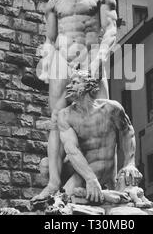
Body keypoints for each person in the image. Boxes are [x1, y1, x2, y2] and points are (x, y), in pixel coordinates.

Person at [31, 0, 118, 201]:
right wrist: (47, 64)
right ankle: (53, 183)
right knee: (57, 119)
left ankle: (106, 180)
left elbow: (110, 31)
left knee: (102, 116)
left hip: (91, 58)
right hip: (62, 62)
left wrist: (99, 60)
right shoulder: (54, 4)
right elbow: (49, 39)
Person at [57, 70, 142, 202]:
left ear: (88, 86)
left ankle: (101, 194)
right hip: (86, 172)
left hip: (109, 170)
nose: (69, 86)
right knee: (63, 200)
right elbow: (72, 150)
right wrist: (90, 178)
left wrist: (130, 163)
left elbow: (128, 132)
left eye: (74, 83)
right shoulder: (65, 115)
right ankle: (103, 195)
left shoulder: (111, 108)